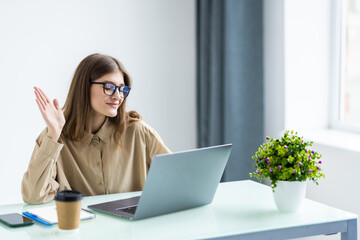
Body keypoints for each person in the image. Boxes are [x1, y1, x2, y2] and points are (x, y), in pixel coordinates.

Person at [22, 53, 170, 204]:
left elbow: (179, 180)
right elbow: (33, 196)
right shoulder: (55, 138)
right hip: (80, 226)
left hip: (135, 226)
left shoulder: (139, 132)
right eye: (109, 87)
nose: (118, 96)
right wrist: (53, 134)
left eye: (122, 89)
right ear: (85, 87)